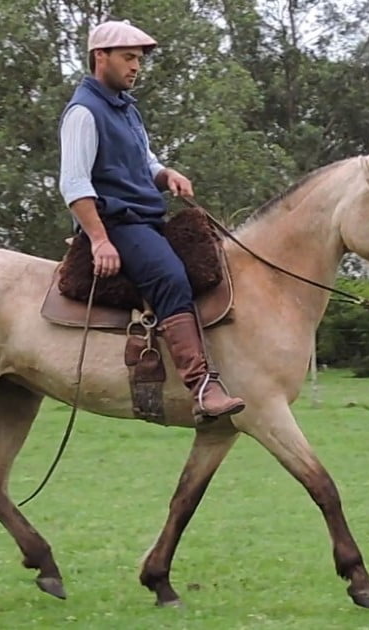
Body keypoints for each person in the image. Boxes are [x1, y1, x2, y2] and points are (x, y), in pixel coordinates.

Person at [57, 20, 245, 422]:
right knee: (171, 276)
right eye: (128, 58)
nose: (136, 67)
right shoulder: (83, 113)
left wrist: (166, 175)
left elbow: (146, 162)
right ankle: (201, 386)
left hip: (146, 218)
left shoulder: (126, 109)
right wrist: (99, 240)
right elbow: (73, 183)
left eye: (139, 60)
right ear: (99, 57)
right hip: (118, 223)